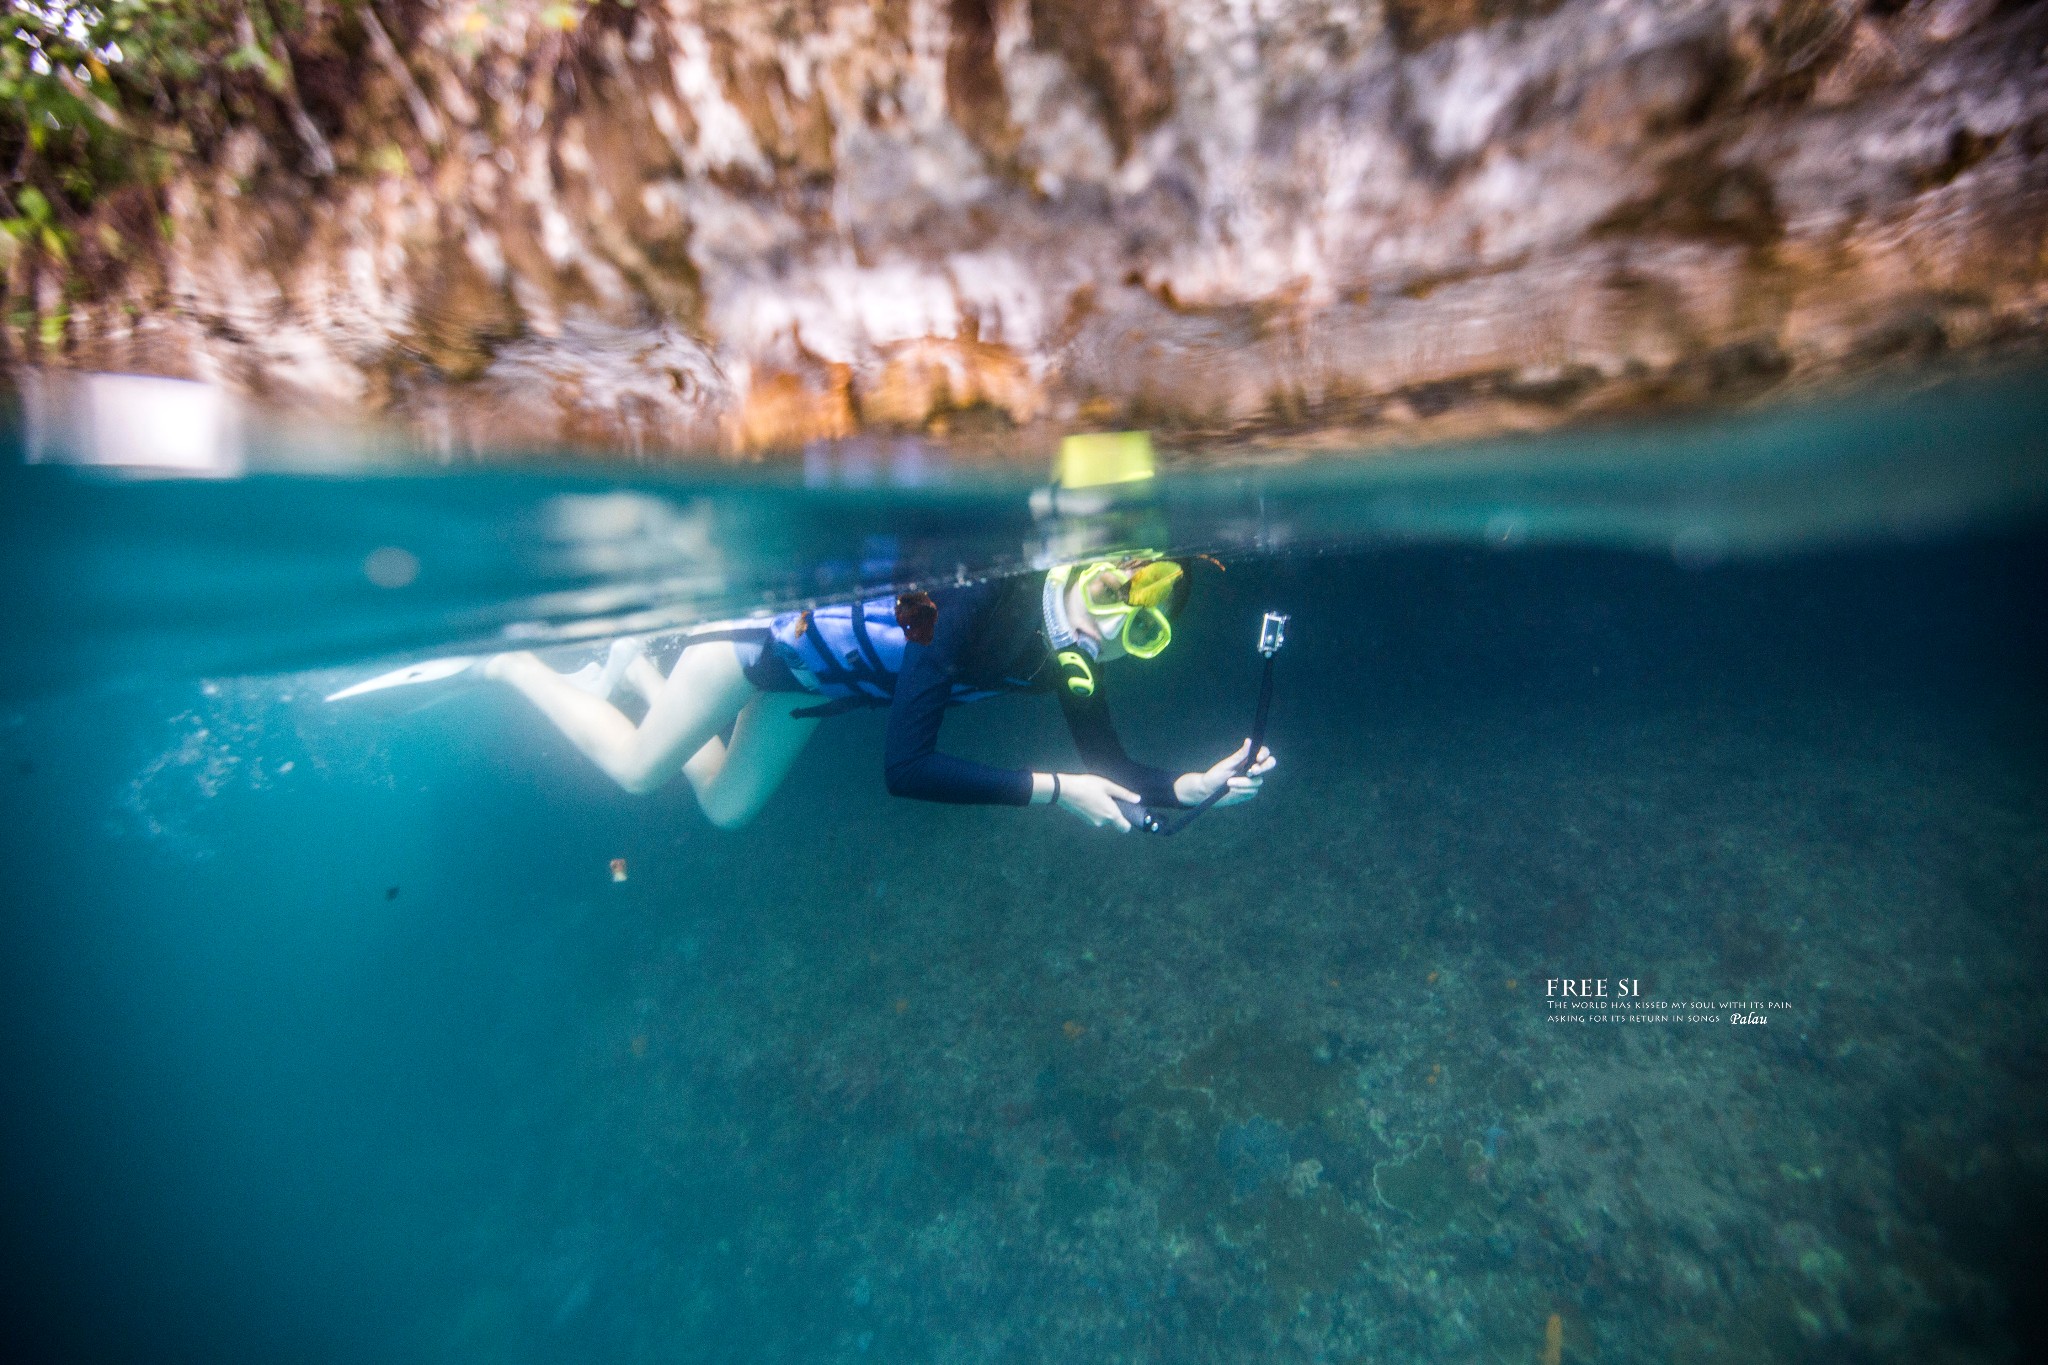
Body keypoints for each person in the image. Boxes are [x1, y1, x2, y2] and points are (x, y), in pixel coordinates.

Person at [483, 555, 1277, 831]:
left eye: (1136, 634)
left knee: (724, 811)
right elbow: (906, 766)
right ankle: (510, 665)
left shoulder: (1061, 657)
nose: (1102, 633)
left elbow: (1112, 761)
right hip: (759, 643)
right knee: (635, 769)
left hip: (816, 687)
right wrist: (1058, 791)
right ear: (1083, 568)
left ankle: (654, 670)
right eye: (1110, 595)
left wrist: (1186, 785)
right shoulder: (964, 599)